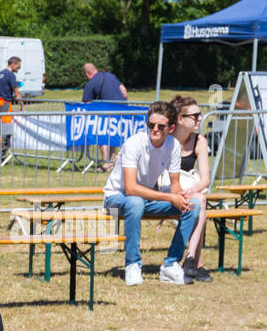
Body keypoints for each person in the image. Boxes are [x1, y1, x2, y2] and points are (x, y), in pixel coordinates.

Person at [102, 100, 201, 286]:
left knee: (194, 206)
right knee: (135, 202)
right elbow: (130, 188)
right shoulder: (134, 143)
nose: (154, 129)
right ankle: (132, 265)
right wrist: (171, 197)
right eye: (150, 125)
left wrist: (180, 198)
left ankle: (171, 265)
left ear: (171, 128)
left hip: (145, 199)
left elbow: (175, 185)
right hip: (116, 198)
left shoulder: (173, 145)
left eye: (160, 126)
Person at [168, 94, 213, 282]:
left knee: (200, 199)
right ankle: (196, 262)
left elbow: (205, 179)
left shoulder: (199, 141)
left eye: (200, 114)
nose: (200, 119)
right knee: (200, 202)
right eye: (195, 116)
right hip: (166, 191)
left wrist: (192, 190)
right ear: (180, 119)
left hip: (188, 191)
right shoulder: (165, 139)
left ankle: (191, 259)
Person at [82, 63, 128, 168]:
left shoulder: (91, 83)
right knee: (114, 135)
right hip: (121, 109)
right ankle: (111, 162)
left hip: (106, 112)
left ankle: (107, 163)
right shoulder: (111, 75)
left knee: (103, 136)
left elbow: (87, 103)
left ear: (87, 74)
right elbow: (124, 92)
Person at [0, 56, 22, 163]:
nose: (19, 68)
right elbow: (16, 91)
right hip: (5, 104)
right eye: (18, 66)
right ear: (13, 64)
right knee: (6, 130)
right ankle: (1, 156)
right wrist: (22, 105)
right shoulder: (10, 75)